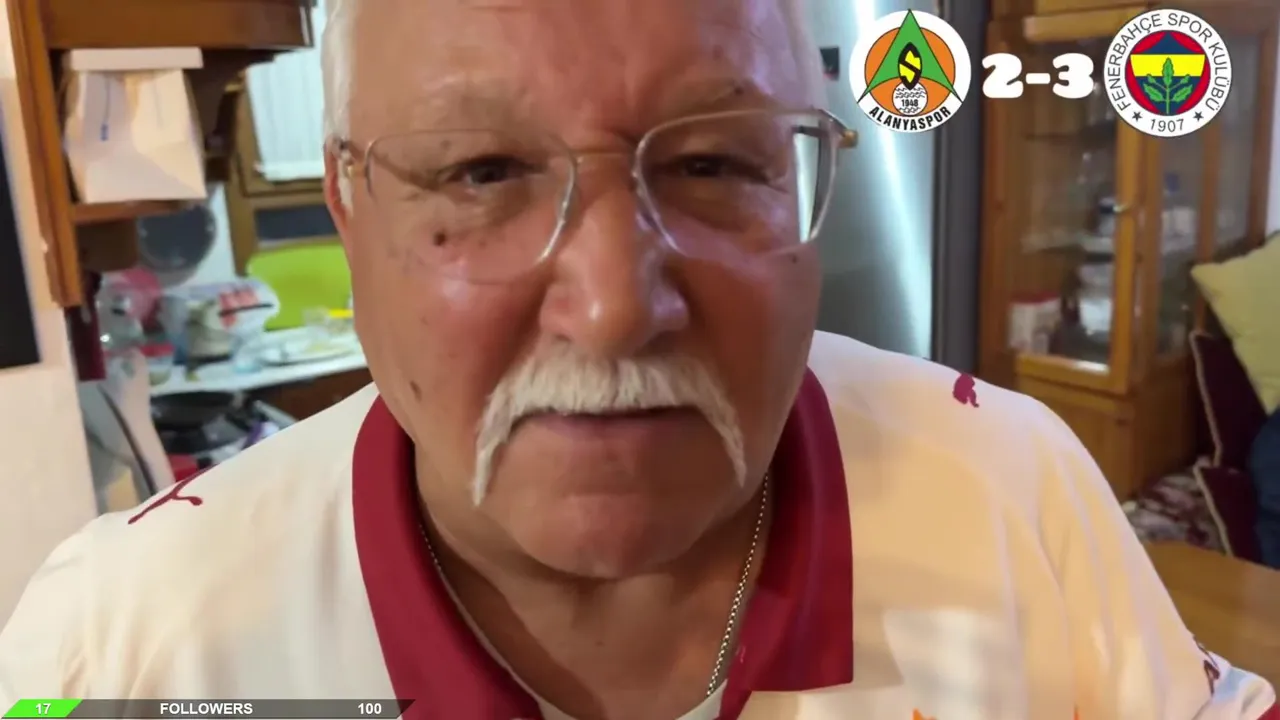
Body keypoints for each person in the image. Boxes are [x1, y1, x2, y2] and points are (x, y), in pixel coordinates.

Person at [0, 0, 1276, 718]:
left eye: (715, 163)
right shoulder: (111, 652)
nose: (614, 309)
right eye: (480, 172)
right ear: (348, 205)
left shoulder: (1011, 490)